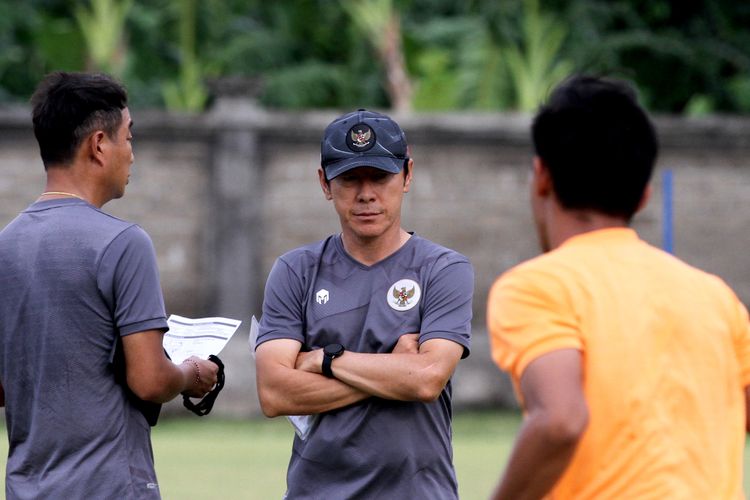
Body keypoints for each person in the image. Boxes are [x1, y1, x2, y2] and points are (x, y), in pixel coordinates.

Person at [487, 75, 750, 499]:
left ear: (541, 177)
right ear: (644, 195)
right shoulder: (715, 296)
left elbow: (560, 421)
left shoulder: (536, 287)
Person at [0, 71, 219, 499]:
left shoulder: (5, 244)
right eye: (129, 138)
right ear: (99, 145)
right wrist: (192, 372)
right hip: (109, 486)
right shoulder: (123, 243)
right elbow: (150, 380)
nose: (132, 155)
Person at [255, 109, 474, 499]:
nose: (366, 193)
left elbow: (426, 379)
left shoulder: (443, 268)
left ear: (407, 175)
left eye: (380, 177)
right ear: (325, 183)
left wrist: (325, 361)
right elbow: (275, 394)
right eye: (350, 178)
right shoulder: (296, 270)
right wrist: (394, 370)